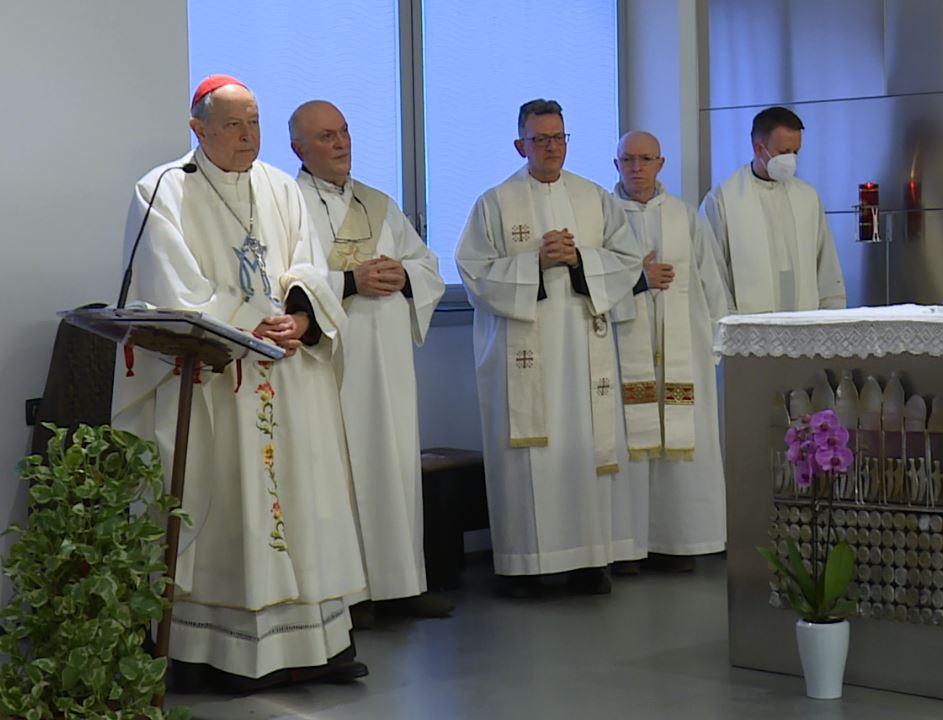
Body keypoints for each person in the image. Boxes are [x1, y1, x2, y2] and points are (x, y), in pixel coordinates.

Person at [112, 76, 367, 691]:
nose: (248, 135)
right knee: (226, 501)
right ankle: (214, 655)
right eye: (233, 124)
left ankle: (315, 647)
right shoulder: (163, 191)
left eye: (254, 122)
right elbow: (168, 288)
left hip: (286, 373)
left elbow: (309, 264)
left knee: (302, 503)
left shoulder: (281, 186)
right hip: (217, 380)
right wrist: (252, 320)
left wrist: (303, 317)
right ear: (198, 129)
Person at [455, 99, 648, 597]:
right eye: (540, 139)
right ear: (520, 144)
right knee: (532, 458)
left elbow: (629, 261)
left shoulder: (594, 198)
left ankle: (590, 561)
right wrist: (535, 263)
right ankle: (529, 565)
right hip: (526, 354)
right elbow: (473, 272)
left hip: (585, 347)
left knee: (585, 449)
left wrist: (580, 260)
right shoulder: (495, 203)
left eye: (559, 138)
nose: (551, 148)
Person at [288, 100, 452, 626]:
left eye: (345, 133)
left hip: (386, 364)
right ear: (299, 148)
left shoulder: (379, 204)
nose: (341, 144)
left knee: (393, 467)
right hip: (327, 364)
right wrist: (350, 282)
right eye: (327, 136)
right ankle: (346, 597)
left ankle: (402, 585)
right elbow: (284, 283)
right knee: (333, 473)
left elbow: (427, 265)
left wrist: (406, 278)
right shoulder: (286, 204)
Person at [611, 131, 728, 573]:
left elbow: (710, 281)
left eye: (645, 159)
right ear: (615, 163)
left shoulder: (684, 215)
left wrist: (714, 342)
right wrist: (635, 277)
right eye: (628, 160)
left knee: (683, 442)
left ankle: (680, 541)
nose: (636, 168)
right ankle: (628, 546)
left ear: (661, 163)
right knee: (629, 446)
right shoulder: (604, 216)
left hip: (683, 352)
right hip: (624, 352)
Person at [701, 106, 846, 313]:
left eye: (796, 152)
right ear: (759, 149)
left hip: (805, 327)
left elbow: (827, 265)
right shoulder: (723, 199)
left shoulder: (807, 197)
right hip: (748, 331)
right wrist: (729, 324)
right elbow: (712, 271)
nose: (791, 160)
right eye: (783, 152)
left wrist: (832, 314)